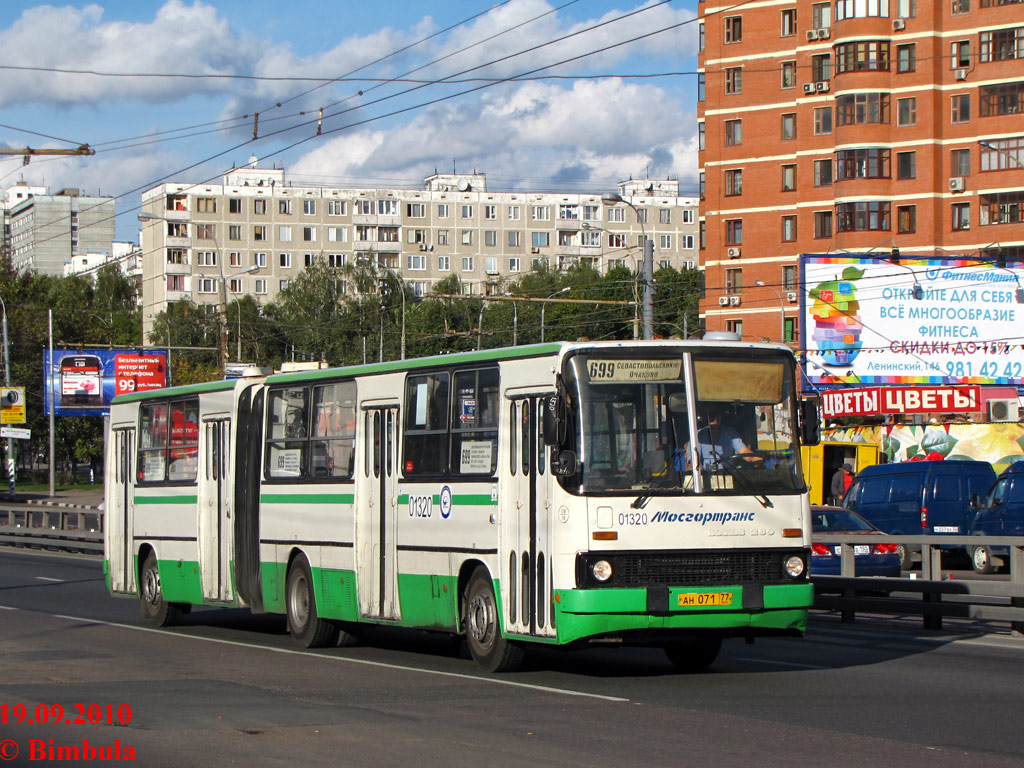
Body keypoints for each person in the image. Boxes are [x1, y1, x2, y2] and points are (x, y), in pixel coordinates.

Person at [690, 406, 757, 470]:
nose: (715, 417)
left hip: (730, 476)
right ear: (703, 417)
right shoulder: (697, 436)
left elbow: (744, 451)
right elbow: (694, 464)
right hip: (707, 477)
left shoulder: (730, 433)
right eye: (711, 415)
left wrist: (755, 459)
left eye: (717, 414)